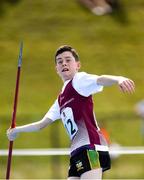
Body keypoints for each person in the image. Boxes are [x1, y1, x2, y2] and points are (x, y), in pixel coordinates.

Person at [7, 45, 135, 179]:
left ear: (77, 65)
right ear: (56, 69)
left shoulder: (79, 80)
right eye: (60, 61)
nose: (64, 63)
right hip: (76, 152)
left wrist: (119, 79)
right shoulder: (60, 99)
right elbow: (41, 125)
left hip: (90, 148)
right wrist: (16, 130)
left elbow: (100, 79)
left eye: (68, 60)